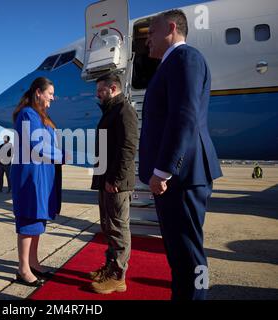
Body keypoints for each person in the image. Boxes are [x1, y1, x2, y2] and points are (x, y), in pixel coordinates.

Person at [138, 10, 222, 300]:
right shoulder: (170, 64)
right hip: (178, 176)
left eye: (152, 31)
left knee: (190, 255)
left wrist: (163, 170)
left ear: (171, 28)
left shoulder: (185, 58)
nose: (147, 39)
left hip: (183, 175)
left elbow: (183, 116)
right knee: (179, 254)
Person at [11, 77, 63, 287]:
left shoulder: (40, 116)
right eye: (50, 93)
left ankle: (33, 262)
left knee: (38, 220)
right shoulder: (27, 115)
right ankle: (23, 269)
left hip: (42, 175)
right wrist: (64, 155)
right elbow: (37, 145)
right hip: (31, 177)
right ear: (38, 93)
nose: (53, 97)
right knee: (29, 220)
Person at [89, 74, 138, 294]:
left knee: (118, 228)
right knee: (108, 226)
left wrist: (116, 180)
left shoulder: (124, 111)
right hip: (106, 179)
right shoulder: (111, 111)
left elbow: (128, 148)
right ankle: (110, 267)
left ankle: (119, 276)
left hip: (116, 182)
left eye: (100, 90)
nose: (97, 95)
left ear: (113, 88)